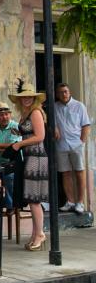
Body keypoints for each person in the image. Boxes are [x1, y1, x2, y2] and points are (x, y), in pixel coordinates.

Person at [9, 80, 48, 251]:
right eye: (23, 97)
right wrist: (20, 134)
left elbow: (40, 136)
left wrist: (19, 144)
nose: (26, 99)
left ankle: (39, 233)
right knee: (31, 198)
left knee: (34, 199)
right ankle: (35, 233)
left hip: (36, 156)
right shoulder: (26, 113)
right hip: (30, 155)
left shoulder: (36, 112)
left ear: (34, 98)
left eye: (29, 97)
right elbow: (31, 133)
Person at [54, 83, 91, 214]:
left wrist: (82, 142)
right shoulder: (55, 107)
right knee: (65, 173)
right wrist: (55, 128)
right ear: (57, 94)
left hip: (76, 144)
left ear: (69, 92)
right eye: (60, 92)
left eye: (65, 91)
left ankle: (80, 202)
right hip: (61, 145)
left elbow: (86, 125)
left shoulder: (79, 106)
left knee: (79, 172)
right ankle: (70, 201)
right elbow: (51, 122)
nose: (63, 94)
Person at [0, 103, 21, 209]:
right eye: (1, 115)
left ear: (10, 115)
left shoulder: (15, 126)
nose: (4, 117)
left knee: (9, 179)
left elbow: (14, 145)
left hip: (11, 164)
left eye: (6, 114)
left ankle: (11, 208)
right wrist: (2, 146)